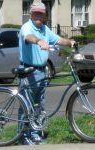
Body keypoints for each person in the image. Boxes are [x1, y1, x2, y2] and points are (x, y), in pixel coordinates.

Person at [18, 1, 76, 145]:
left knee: (39, 104)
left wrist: (70, 42)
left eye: (41, 13)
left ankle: (36, 133)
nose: (38, 15)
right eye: (36, 13)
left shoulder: (45, 29)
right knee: (27, 105)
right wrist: (38, 41)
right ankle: (22, 134)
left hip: (42, 71)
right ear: (31, 14)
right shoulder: (27, 27)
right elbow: (28, 37)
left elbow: (58, 39)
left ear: (45, 15)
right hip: (29, 71)